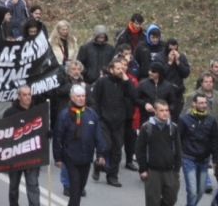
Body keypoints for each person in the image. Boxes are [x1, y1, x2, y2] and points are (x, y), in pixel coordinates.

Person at [53, 85, 108, 206]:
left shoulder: (91, 114)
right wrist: (57, 157)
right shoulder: (64, 115)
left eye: (83, 96)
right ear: (72, 97)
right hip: (70, 157)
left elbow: (98, 135)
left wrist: (101, 154)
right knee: (75, 188)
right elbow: (57, 137)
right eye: (78, 96)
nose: (81, 99)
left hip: (86, 157)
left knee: (80, 187)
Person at [91, 58, 137, 187]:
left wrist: (127, 80)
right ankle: (99, 164)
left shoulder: (125, 83)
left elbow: (133, 96)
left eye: (122, 68)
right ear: (111, 70)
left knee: (117, 150)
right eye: (118, 68)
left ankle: (112, 176)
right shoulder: (102, 82)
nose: (121, 71)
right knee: (106, 146)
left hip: (119, 121)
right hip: (104, 120)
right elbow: (95, 100)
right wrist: (98, 117)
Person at [135, 100, 182, 206]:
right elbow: (139, 149)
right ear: (155, 112)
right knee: (153, 201)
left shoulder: (173, 128)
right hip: (152, 171)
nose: (165, 113)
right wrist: (143, 169)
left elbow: (178, 149)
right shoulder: (147, 127)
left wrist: (177, 169)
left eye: (167, 110)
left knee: (171, 198)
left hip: (169, 170)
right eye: (161, 110)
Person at [179, 92, 218, 206]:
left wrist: (215, 160)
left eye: (205, 103)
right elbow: (178, 139)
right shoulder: (185, 119)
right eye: (201, 103)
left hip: (204, 161)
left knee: (200, 192)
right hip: (188, 159)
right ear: (194, 104)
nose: (204, 105)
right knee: (192, 192)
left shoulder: (211, 120)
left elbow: (215, 140)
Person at [5, 86, 41, 206]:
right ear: (19, 97)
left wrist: (47, 133)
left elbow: (42, 130)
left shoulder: (37, 111)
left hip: (32, 155)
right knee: (14, 186)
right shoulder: (10, 113)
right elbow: (4, 134)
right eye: (24, 95)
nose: (27, 97)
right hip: (15, 156)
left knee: (33, 184)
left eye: (29, 94)